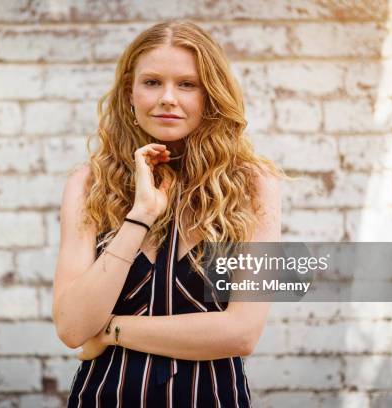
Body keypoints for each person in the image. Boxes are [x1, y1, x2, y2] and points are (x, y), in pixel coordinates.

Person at [53, 20, 284, 408]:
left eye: (187, 84)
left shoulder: (253, 186)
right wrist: (140, 215)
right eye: (152, 82)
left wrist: (111, 330)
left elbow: (242, 333)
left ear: (210, 95)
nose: (168, 98)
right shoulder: (88, 184)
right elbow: (73, 327)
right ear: (130, 91)